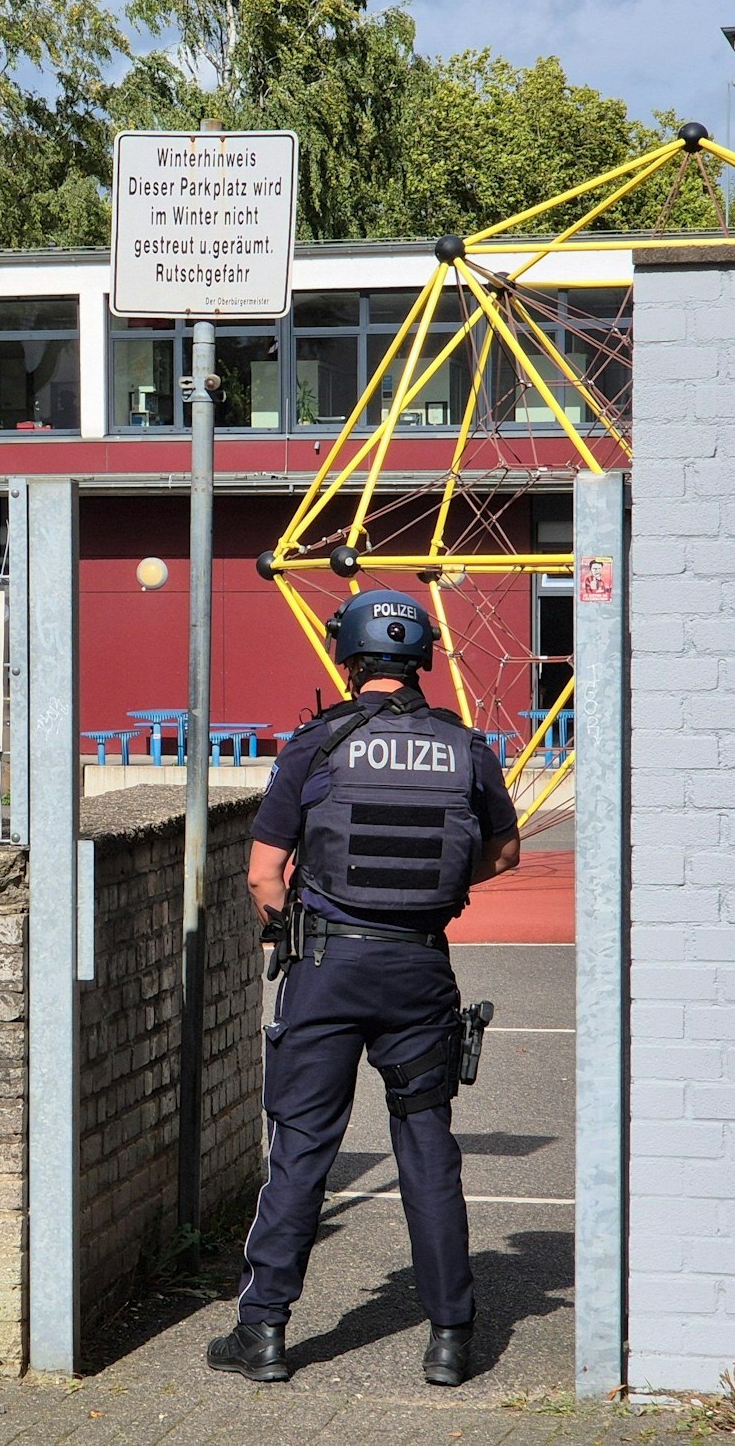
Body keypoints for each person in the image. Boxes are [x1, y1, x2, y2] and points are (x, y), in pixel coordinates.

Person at [206, 589, 521, 1389]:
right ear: (420, 660)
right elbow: (504, 853)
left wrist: (297, 923)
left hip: (327, 967)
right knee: (427, 1148)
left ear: (348, 658)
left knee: (302, 1151)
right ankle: (451, 1338)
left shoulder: (315, 745)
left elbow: (263, 875)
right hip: (419, 967)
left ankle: (265, 1333)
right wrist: (439, 889)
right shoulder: (465, 747)